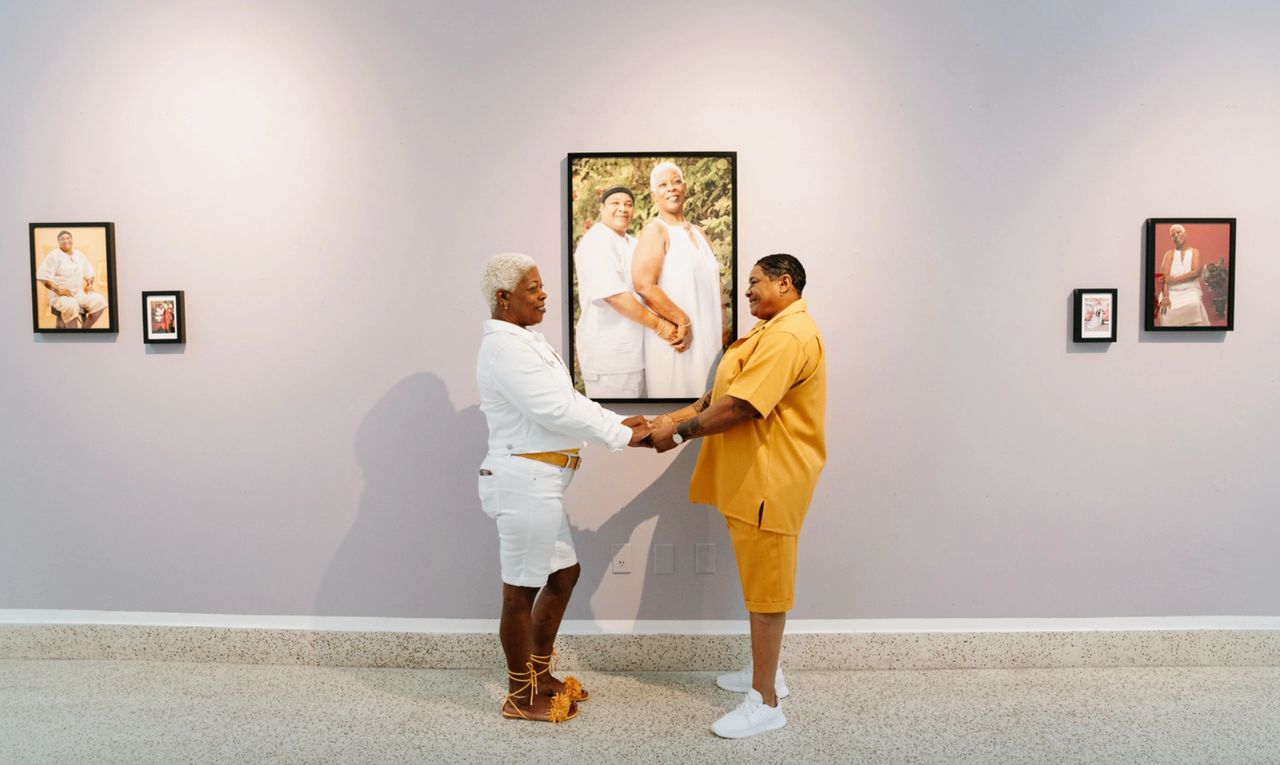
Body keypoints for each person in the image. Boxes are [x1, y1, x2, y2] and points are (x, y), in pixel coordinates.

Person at [649, 254, 825, 739]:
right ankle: (768, 675)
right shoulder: (767, 333)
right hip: (749, 478)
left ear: (784, 283)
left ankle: (765, 702)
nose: (746, 291)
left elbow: (744, 405)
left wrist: (679, 434)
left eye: (754, 282)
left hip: (771, 480)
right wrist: (665, 422)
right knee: (758, 583)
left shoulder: (789, 336)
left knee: (767, 592)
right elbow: (718, 394)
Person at [476, 252, 651, 723]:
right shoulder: (505, 349)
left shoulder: (525, 341)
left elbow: (568, 400)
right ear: (504, 297)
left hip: (540, 483)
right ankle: (518, 694)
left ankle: (539, 673)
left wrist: (617, 422)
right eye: (533, 288)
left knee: (562, 576)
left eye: (541, 286)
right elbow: (554, 409)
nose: (544, 294)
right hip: (522, 483)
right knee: (520, 591)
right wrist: (621, 434)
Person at [573, 186, 678, 399]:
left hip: (638, 355)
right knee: (617, 425)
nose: (623, 209)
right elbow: (615, 296)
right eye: (615, 203)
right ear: (602, 207)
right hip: (611, 358)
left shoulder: (633, 243)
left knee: (642, 423)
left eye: (628, 204)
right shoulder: (597, 240)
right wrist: (660, 325)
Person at [632, 162, 725, 398]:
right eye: (662, 185)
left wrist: (723, 333)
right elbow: (644, 285)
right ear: (654, 196)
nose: (671, 188)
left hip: (710, 342)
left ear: (685, 187)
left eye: (675, 181)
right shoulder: (656, 230)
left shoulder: (698, 232)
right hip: (679, 344)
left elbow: (715, 287)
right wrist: (682, 321)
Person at [34, 231, 108, 328]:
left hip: (78, 293)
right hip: (59, 296)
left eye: (68, 238)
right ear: (58, 242)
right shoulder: (54, 255)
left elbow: (89, 273)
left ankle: (84, 330)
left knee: (100, 301)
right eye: (62, 239)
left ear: (72, 240)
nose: (66, 240)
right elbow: (42, 277)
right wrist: (58, 290)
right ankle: (73, 336)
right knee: (71, 307)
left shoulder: (79, 254)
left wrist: (89, 284)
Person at [1157, 224, 1209, 327]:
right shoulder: (1169, 254)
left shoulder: (1194, 252)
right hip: (1171, 292)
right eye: (1173, 235)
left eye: (1178, 232)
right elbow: (1164, 278)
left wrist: (1174, 280)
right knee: (1165, 309)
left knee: (1194, 303)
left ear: (1185, 234)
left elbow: (1196, 273)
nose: (1176, 236)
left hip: (1190, 290)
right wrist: (1166, 297)